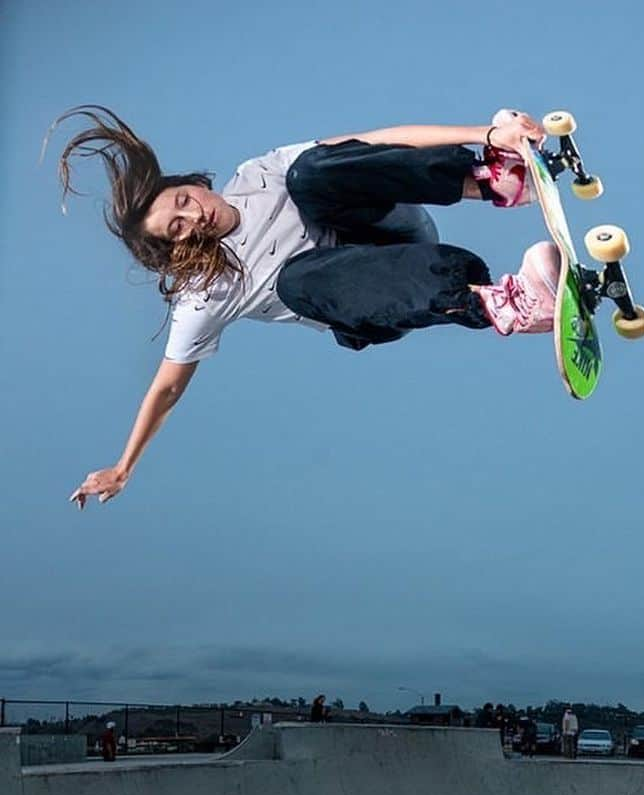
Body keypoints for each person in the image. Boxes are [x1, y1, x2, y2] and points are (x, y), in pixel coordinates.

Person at [50, 106, 560, 510]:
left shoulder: (258, 174)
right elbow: (167, 386)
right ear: (177, 248)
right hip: (366, 302)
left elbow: (379, 142)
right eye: (177, 230)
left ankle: (494, 180)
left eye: (183, 202)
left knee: (308, 172)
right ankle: (506, 306)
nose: (194, 218)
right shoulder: (206, 293)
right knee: (295, 281)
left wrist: (486, 135)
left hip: (393, 231)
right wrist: (124, 466)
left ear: (195, 185)